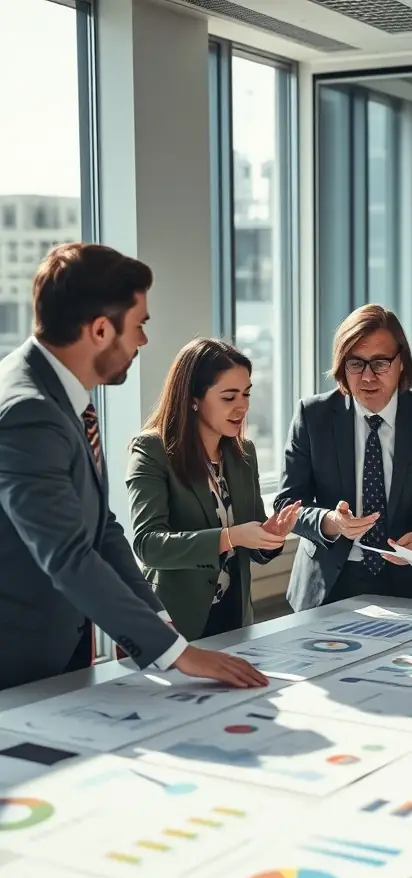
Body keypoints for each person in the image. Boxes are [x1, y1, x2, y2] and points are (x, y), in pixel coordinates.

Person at [0, 243, 265, 691]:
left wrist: (163, 623)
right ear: (101, 329)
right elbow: (68, 555)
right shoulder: (30, 411)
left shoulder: (66, 396)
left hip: (62, 648)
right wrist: (176, 653)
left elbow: (101, 530)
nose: (143, 340)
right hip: (19, 659)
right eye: (138, 325)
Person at [274, 304, 412, 610]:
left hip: (409, 581)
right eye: (355, 364)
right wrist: (330, 521)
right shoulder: (313, 417)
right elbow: (286, 504)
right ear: (342, 366)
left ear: (401, 362)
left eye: (380, 363)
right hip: (329, 584)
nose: (367, 377)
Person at [126, 339, 300, 642]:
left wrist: (270, 536)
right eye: (229, 397)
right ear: (194, 397)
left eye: (246, 394)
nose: (242, 406)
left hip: (235, 620)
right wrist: (229, 537)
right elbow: (148, 545)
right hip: (175, 624)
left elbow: (252, 544)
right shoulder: (152, 450)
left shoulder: (243, 454)